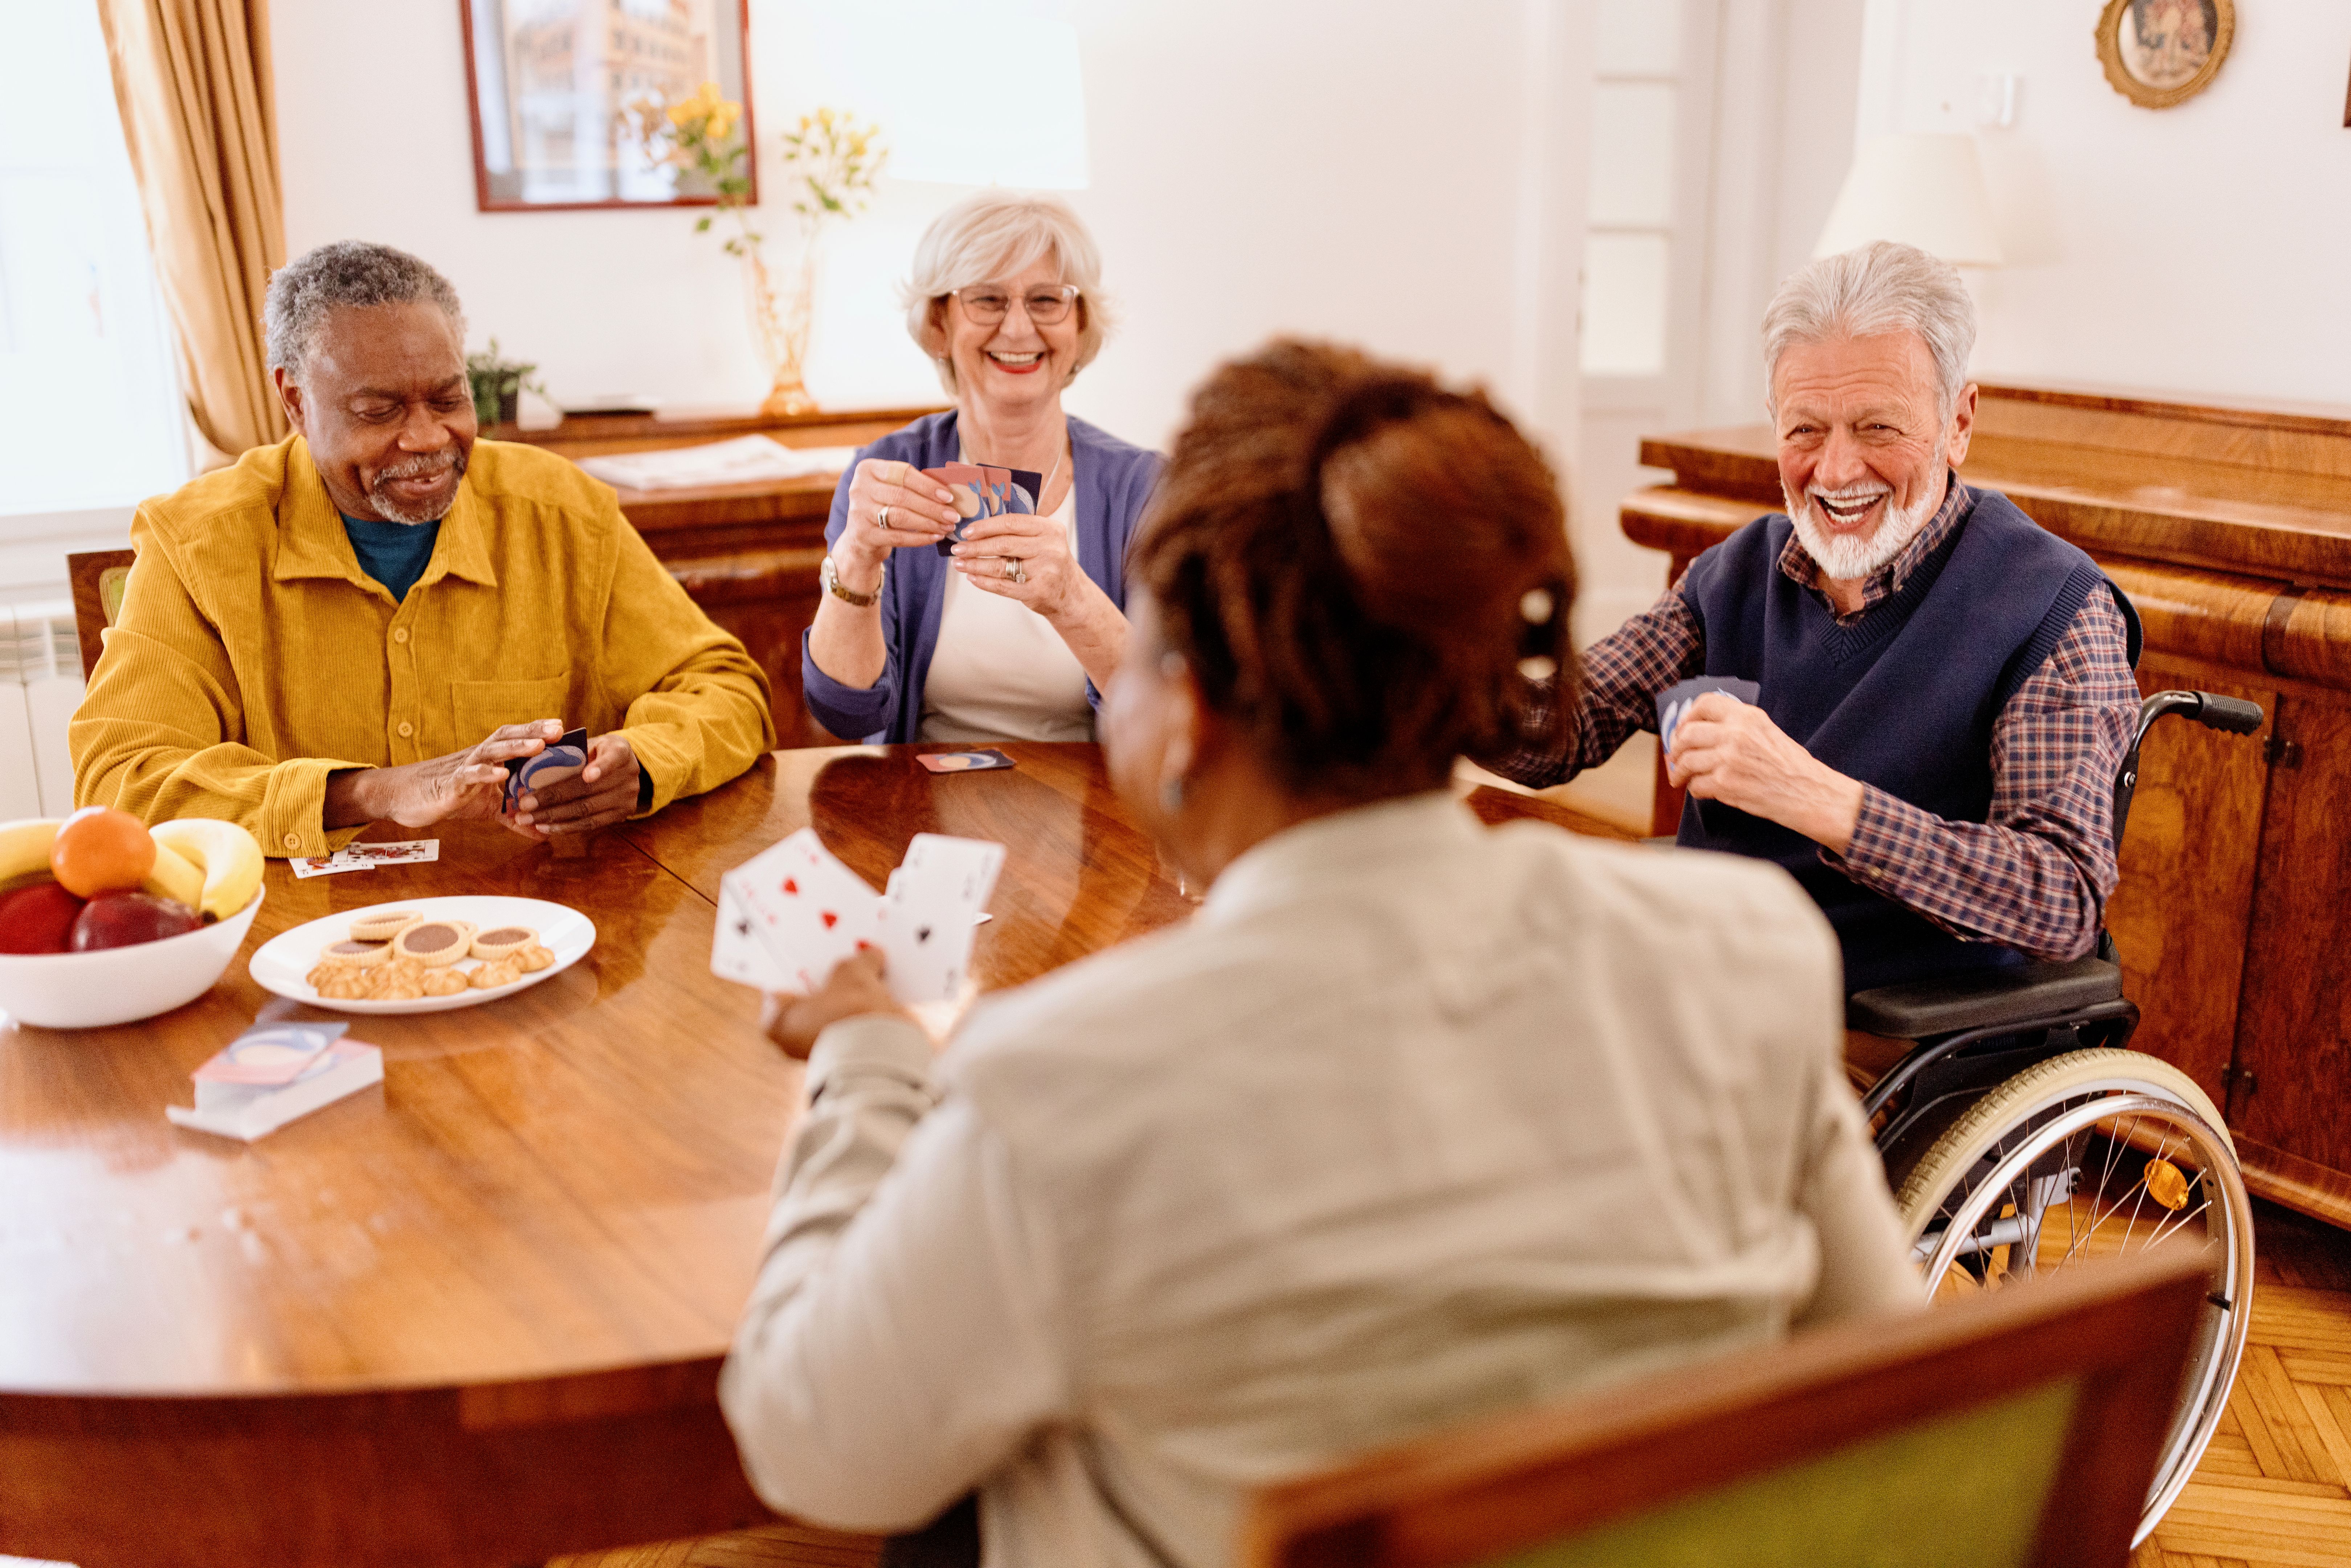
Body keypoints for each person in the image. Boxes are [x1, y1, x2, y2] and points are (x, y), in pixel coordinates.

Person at [720, 343, 1919, 1567]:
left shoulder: (1055, 1083)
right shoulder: (1745, 954)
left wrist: (868, 1059)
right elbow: (1879, 1381)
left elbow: (815, 1444)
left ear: (1181, 716)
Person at [1486, 241, 2142, 993]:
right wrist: (1415, 672)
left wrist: (1814, 796)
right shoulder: (1737, 570)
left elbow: (2058, 899)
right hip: (1704, 973)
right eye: (1803, 430)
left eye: (1876, 429)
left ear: (1956, 421)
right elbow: (1563, 730)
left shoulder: (2051, 605)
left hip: (1883, 1018)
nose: (1833, 473)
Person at [71, 241, 775, 856]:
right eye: (378, 412)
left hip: (538, 918)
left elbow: (727, 690)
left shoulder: (562, 512)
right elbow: (122, 782)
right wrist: (370, 794)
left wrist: (642, 762)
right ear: (294, 401)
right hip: (298, 938)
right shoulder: (198, 541)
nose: (427, 440)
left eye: (447, 400)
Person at [801, 191, 1162, 745]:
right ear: (939, 323)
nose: (1018, 329)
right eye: (987, 300)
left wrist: (1072, 600)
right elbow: (845, 713)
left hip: (1103, 815)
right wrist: (856, 555)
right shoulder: (889, 472)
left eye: (1047, 300)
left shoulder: (1143, 489)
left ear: (1079, 325)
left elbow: (1176, 715)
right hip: (923, 813)